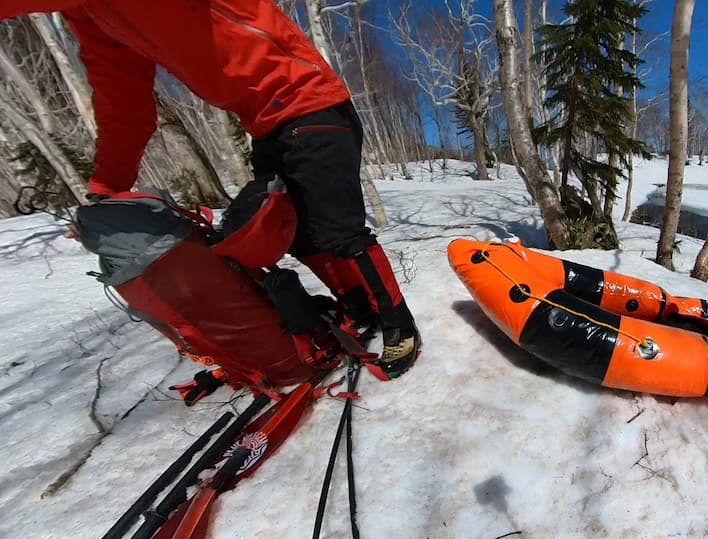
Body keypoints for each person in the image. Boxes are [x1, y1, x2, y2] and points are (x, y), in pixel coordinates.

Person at [0, 0, 420, 378]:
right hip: (264, 123)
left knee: (338, 230)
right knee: (297, 234)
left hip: (308, 100)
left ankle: (399, 323)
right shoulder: (93, 17)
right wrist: (107, 188)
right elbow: (122, 104)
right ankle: (363, 307)